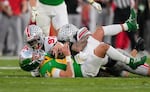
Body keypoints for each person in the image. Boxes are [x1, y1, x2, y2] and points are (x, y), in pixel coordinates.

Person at [19, 8, 147, 78]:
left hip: (104, 60)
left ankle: (129, 30)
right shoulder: (43, 60)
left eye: (35, 41)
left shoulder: (54, 43)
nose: (34, 46)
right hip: (98, 63)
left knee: (123, 65)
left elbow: (75, 48)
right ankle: (129, 28)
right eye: (31, 43)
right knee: (101, 38)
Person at [29, 0, 102, 36]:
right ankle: (43, 57)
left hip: (59, 6)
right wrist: (33, 8)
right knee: (42, 34)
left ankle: (64, 57)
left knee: (65, 33)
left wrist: (92, 2)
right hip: (42, 6)